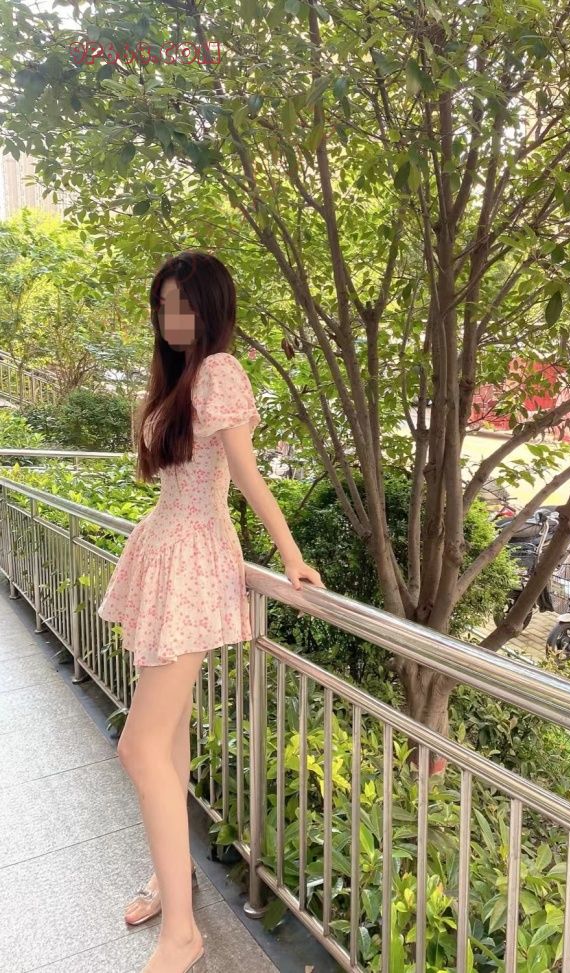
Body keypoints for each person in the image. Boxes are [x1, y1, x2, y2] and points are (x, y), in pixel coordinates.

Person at [97, 250, 325, 973]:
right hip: (165, 551)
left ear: (211, 308)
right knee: (163, 741)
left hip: (193, 559)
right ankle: (172, 882)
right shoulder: (178, 375)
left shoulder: (220, 370)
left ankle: (184, 934)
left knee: (139, 746)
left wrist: (290, 554)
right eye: (164, 305)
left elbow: (245, 472)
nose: (171, 318)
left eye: (184, 305)